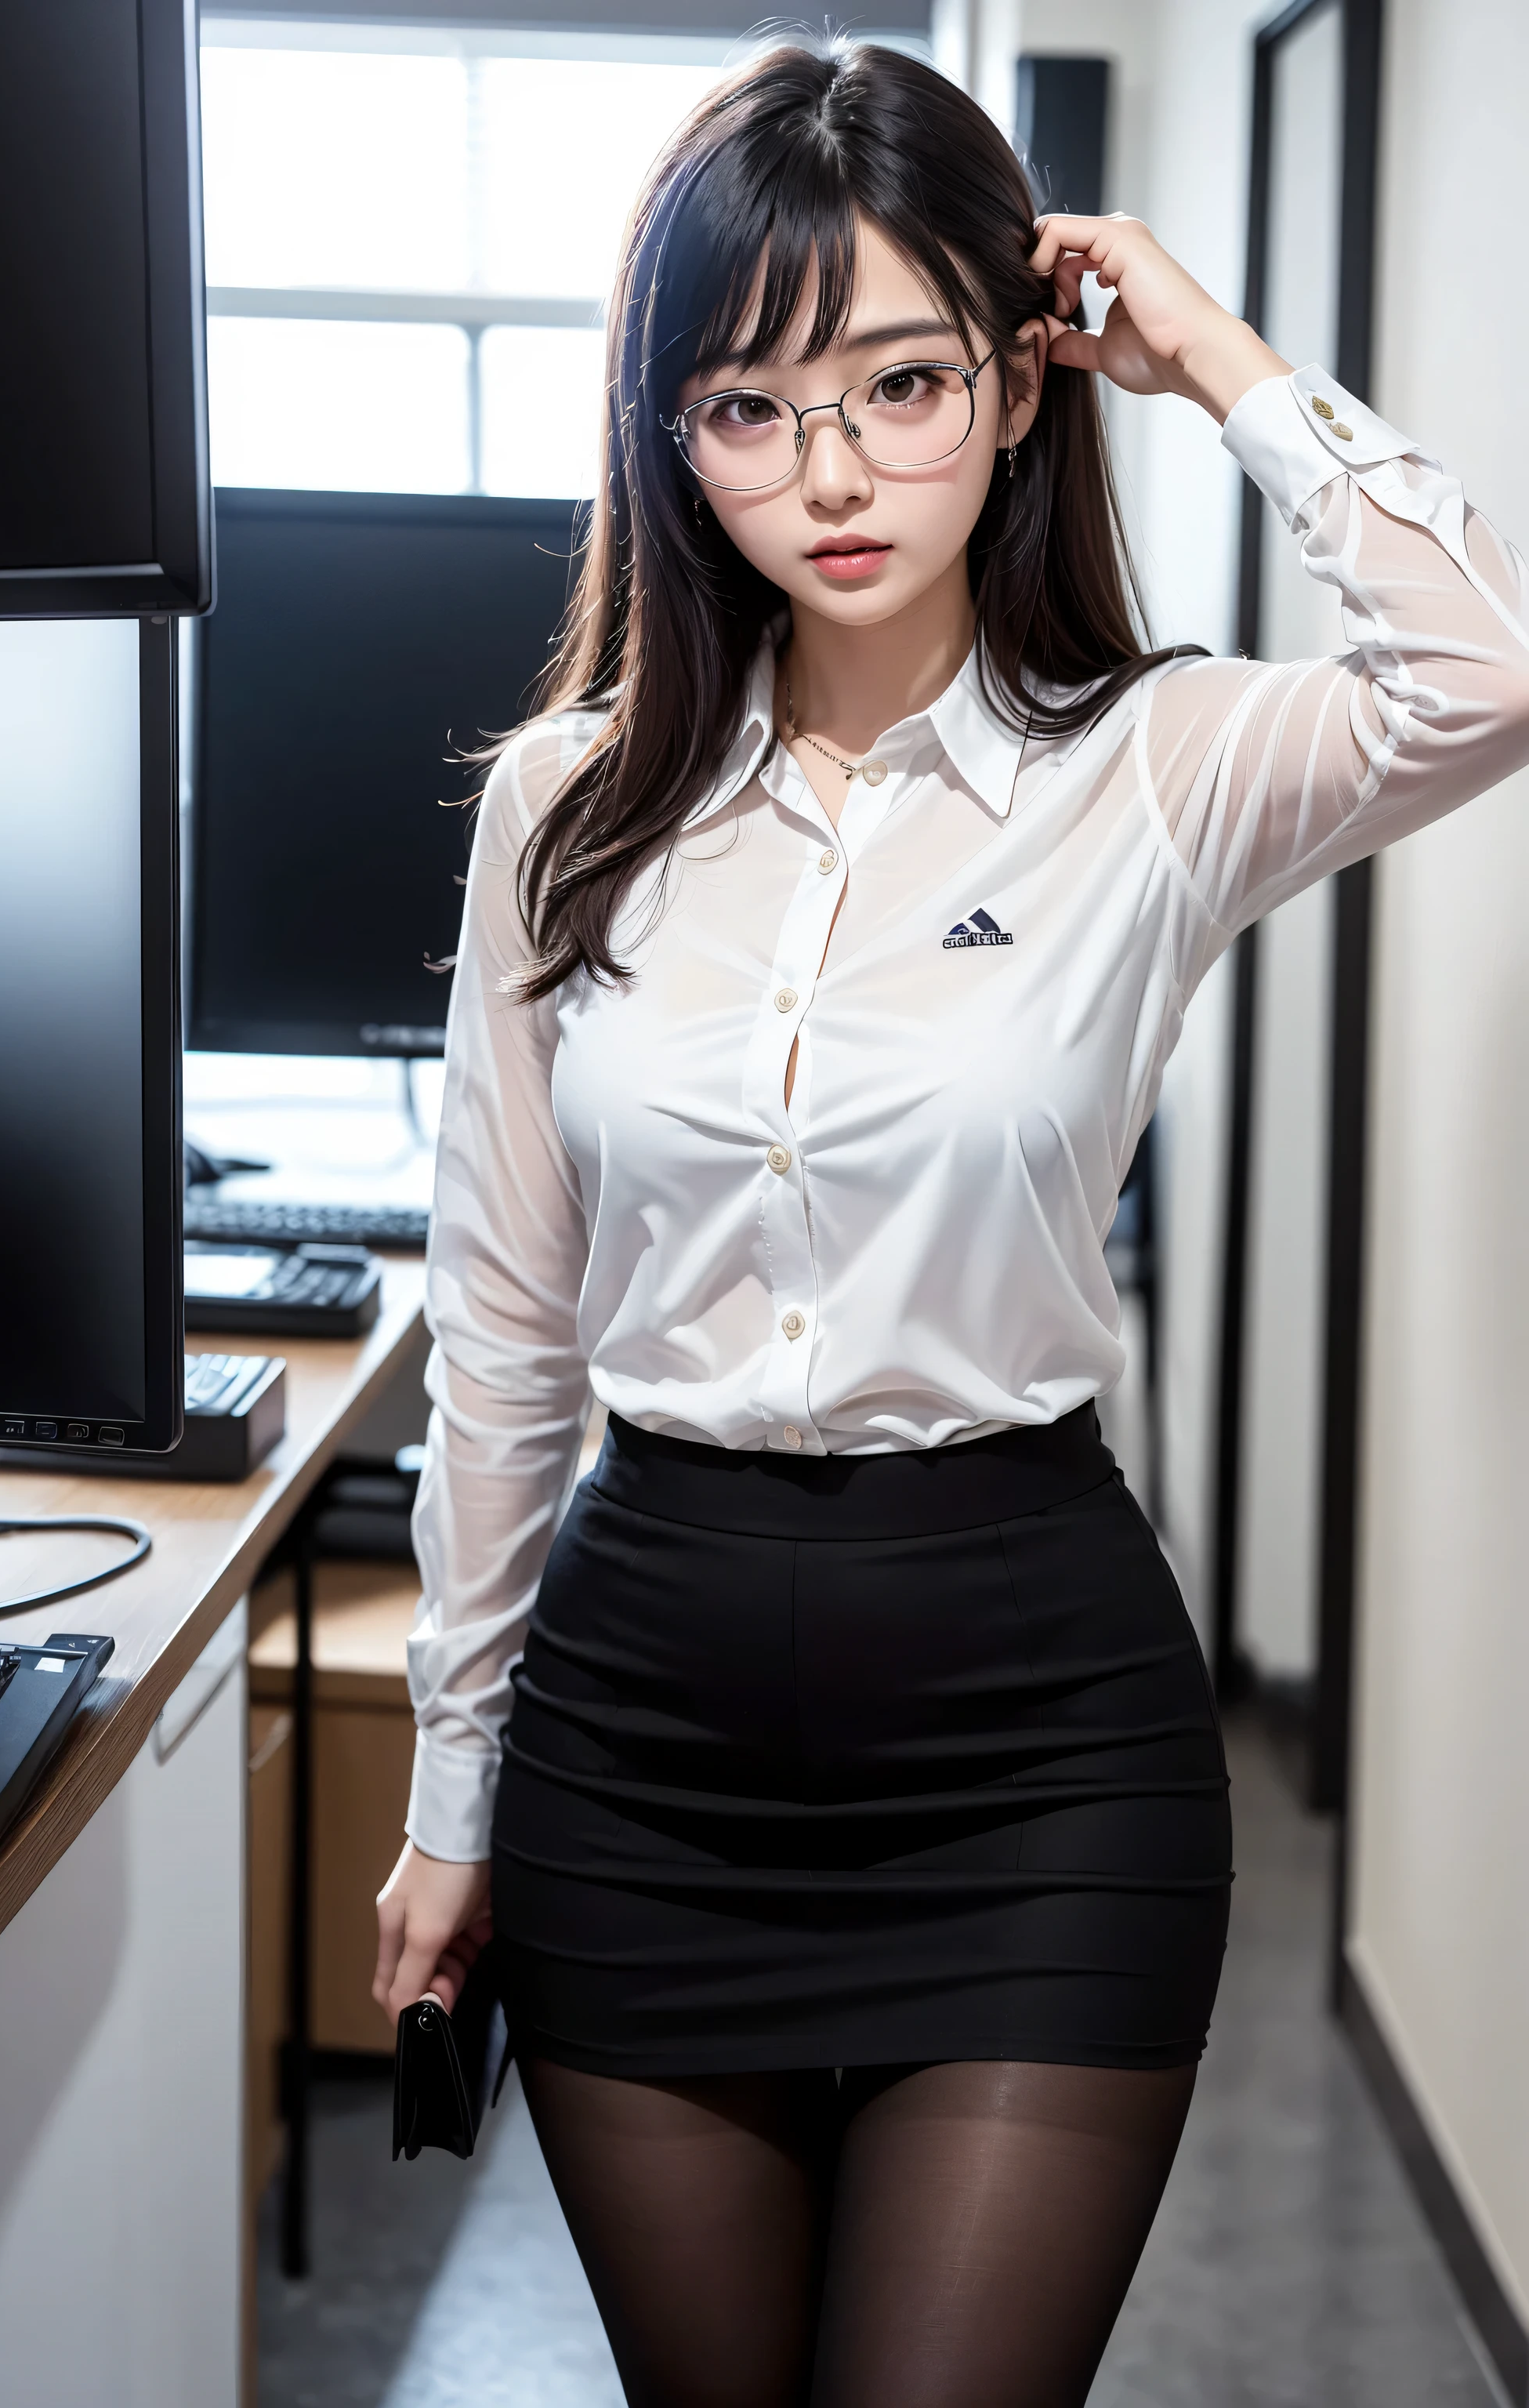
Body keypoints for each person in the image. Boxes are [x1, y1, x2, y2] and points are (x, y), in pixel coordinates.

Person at [374, 39, 1529, 2408]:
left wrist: (1212, 359)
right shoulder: (568, 813)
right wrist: (447, 1800)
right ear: (668, 442)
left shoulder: (1160, 767)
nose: (831, 474)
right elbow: (502, 1333)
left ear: (1018, 381)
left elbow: (1486, 675)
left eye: (900, 382)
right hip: (644, 1727)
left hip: (1034, 1743)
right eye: (749, 406)